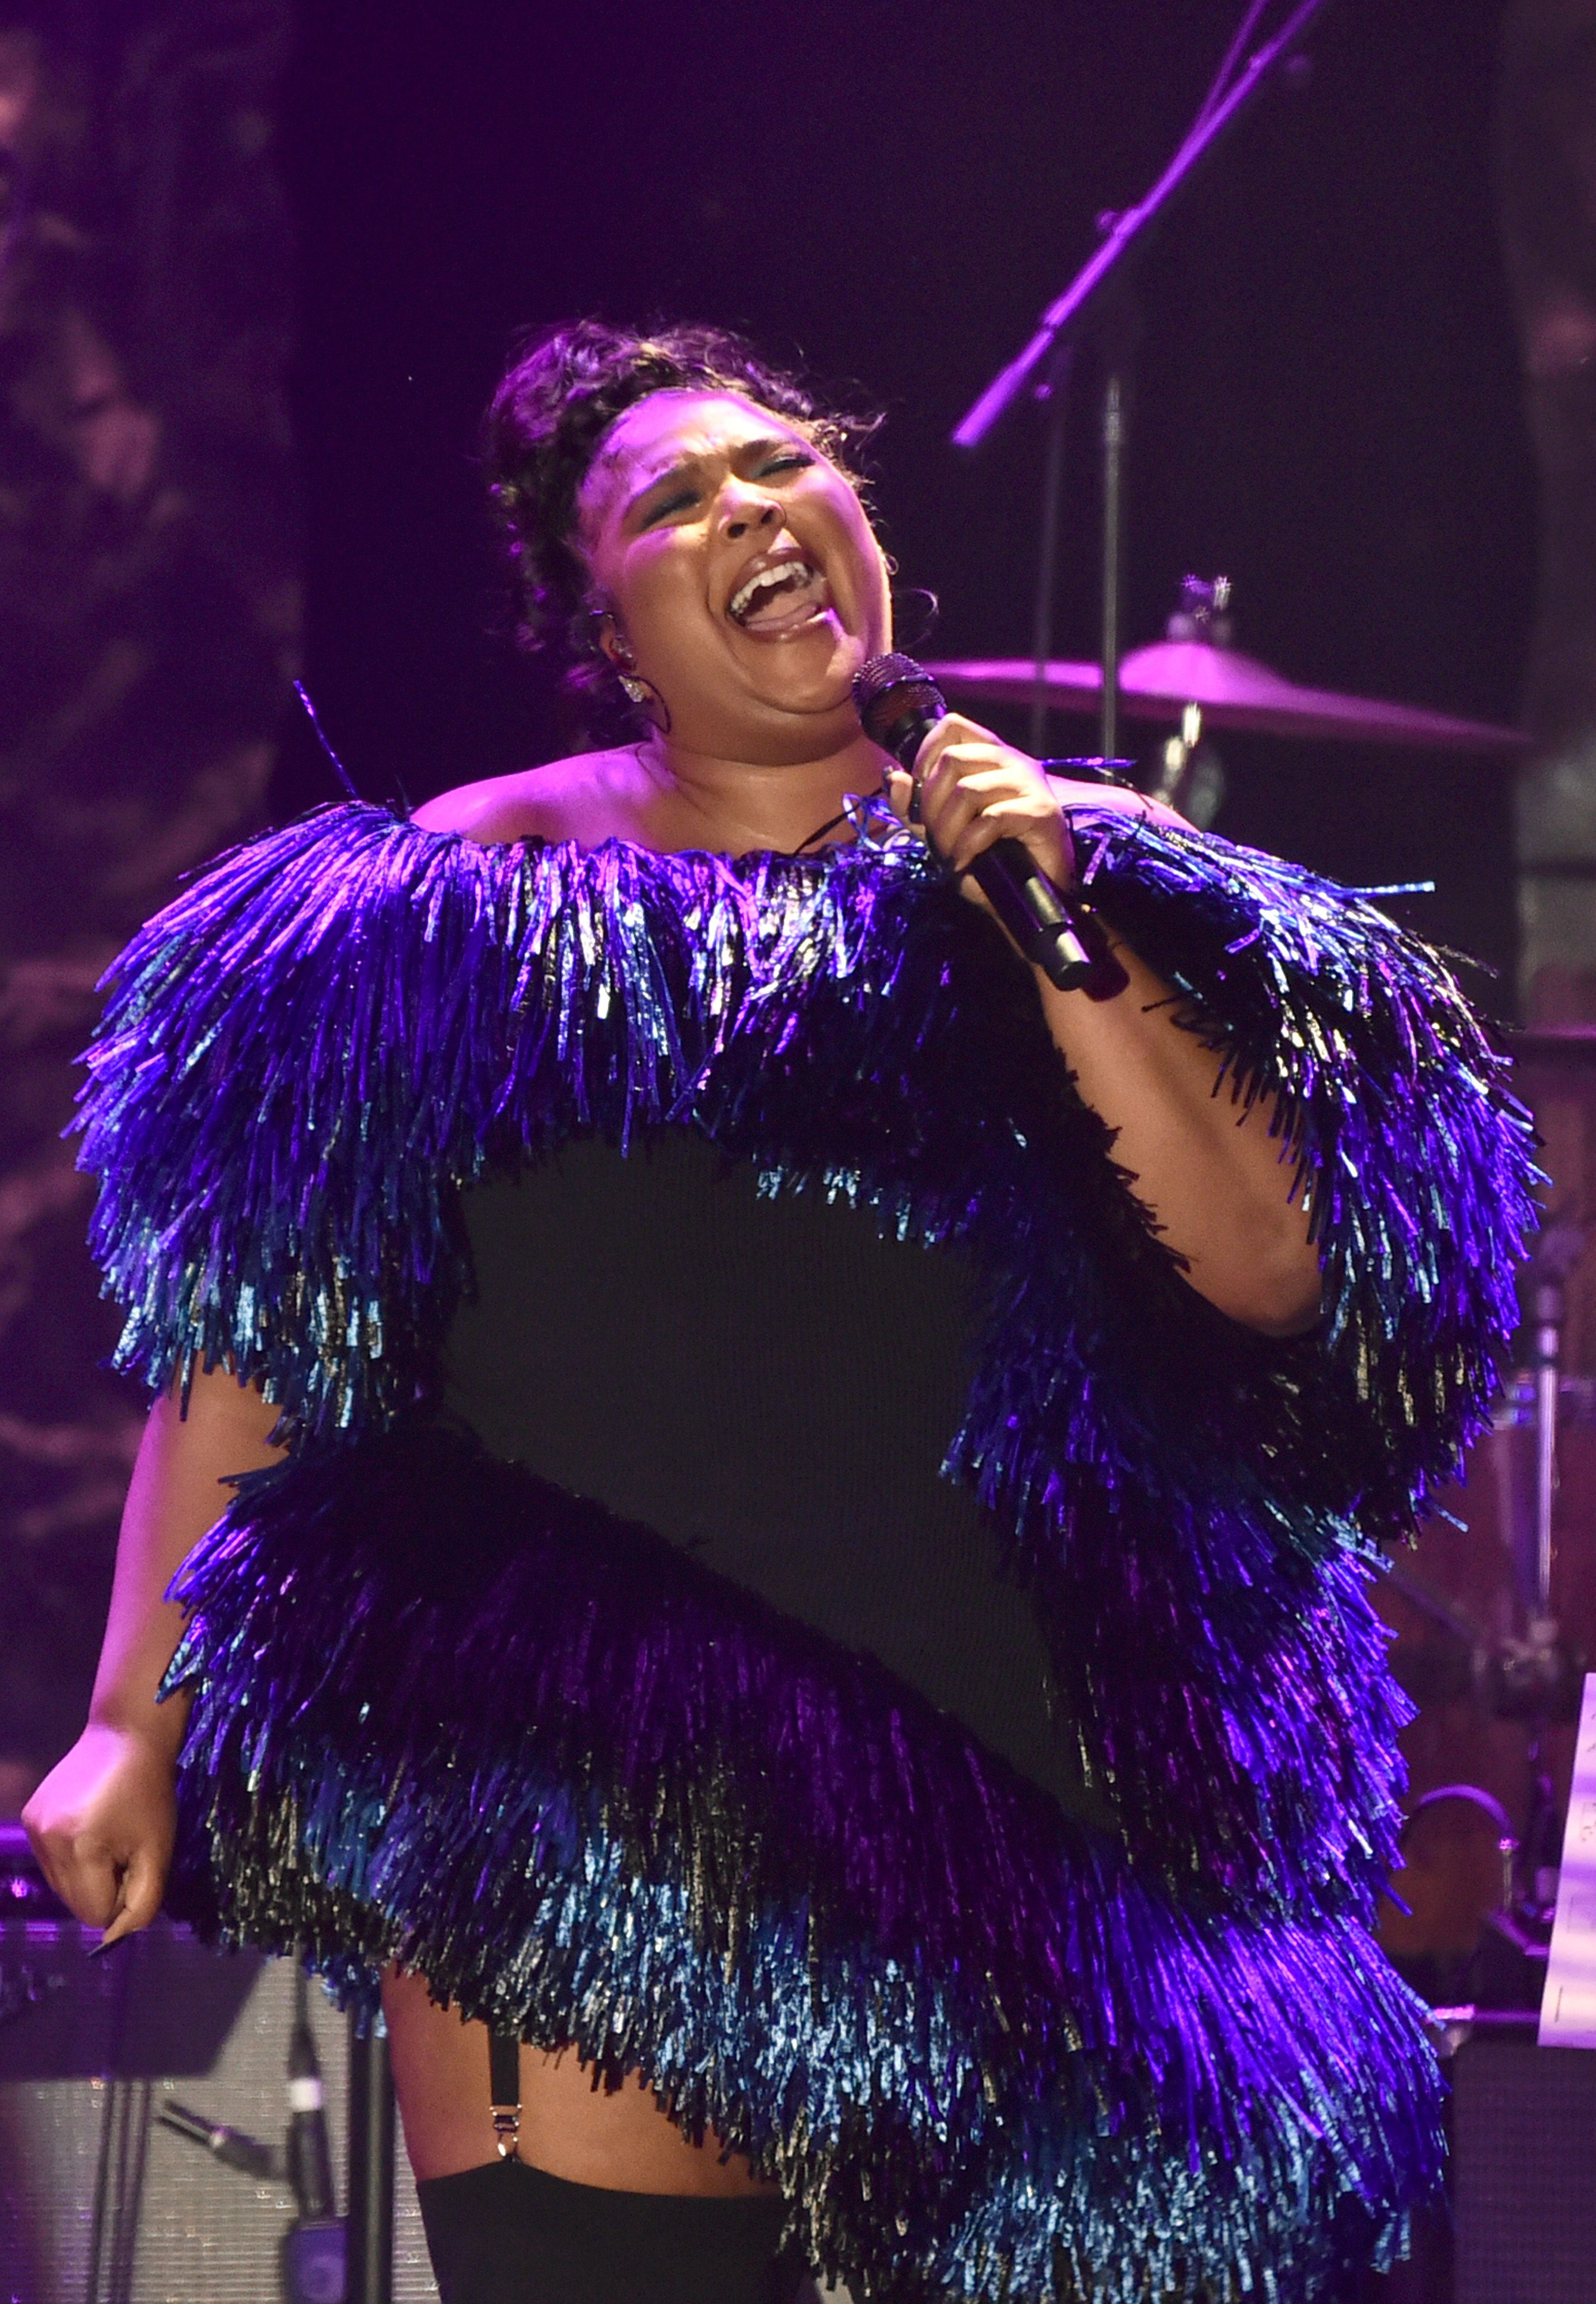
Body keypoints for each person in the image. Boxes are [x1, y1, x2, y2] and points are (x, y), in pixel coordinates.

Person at [25, 321, 1534, 2304]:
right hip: (608, 1774)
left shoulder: (1056, 863)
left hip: (1042, 1790)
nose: (750, 507)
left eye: (782, 464)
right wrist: (133, 1716)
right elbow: (253, 1338)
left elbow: (1260, 1276)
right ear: (606, 626)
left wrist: (1044, 908)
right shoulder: (463, 892)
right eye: (671, 501)